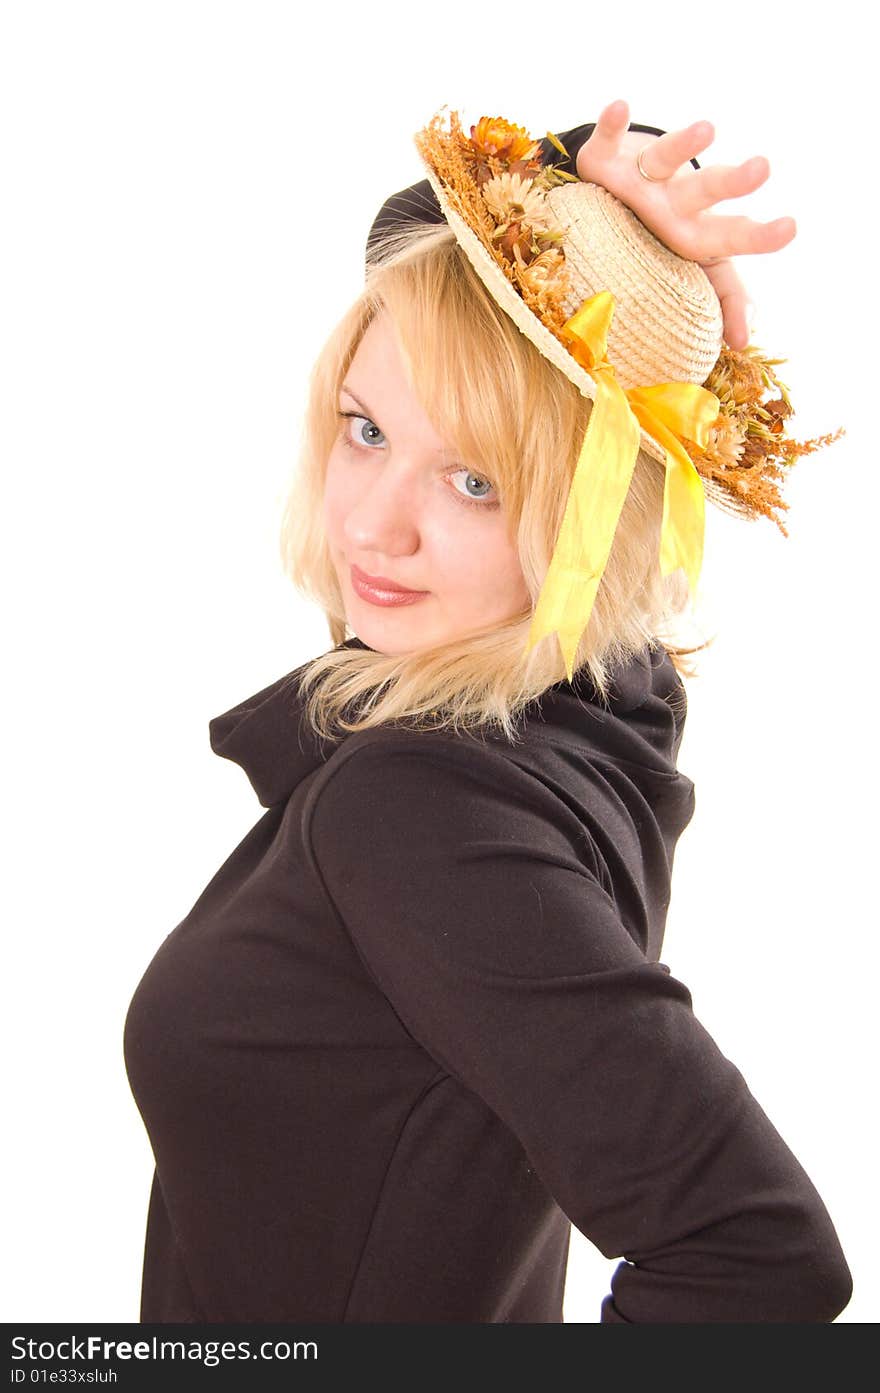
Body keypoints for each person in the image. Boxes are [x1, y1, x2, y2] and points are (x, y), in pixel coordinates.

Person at [122, 102, 852, 1323]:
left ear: (591, 507)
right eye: (365, 431)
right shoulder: (604, 702)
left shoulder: (416, 811)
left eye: (475, 479)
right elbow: (411, 248)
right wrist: (582, 189)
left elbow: (753, 1253)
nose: (371, 527)